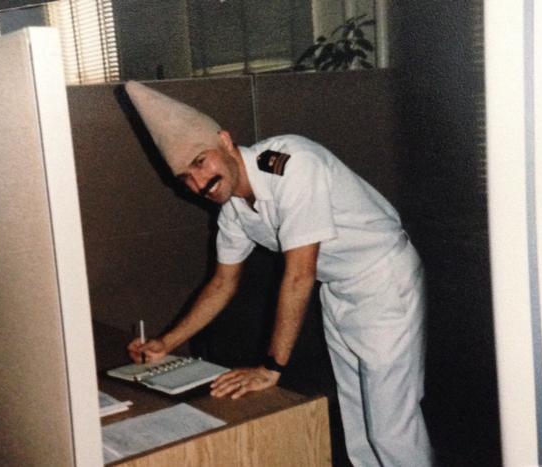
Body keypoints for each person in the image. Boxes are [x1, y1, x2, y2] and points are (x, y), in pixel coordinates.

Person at [124, 80, 433, 467]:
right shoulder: (233, 208)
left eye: (200, 162)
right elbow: (222, 283)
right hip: (338, 289)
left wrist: (271, 368)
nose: (200, 184)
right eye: (186, 178)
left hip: (384, 280)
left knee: (391, 429)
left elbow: (299, 275)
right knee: (358, 423)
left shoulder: (293, 165)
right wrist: (165, 343)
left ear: (225, 141)